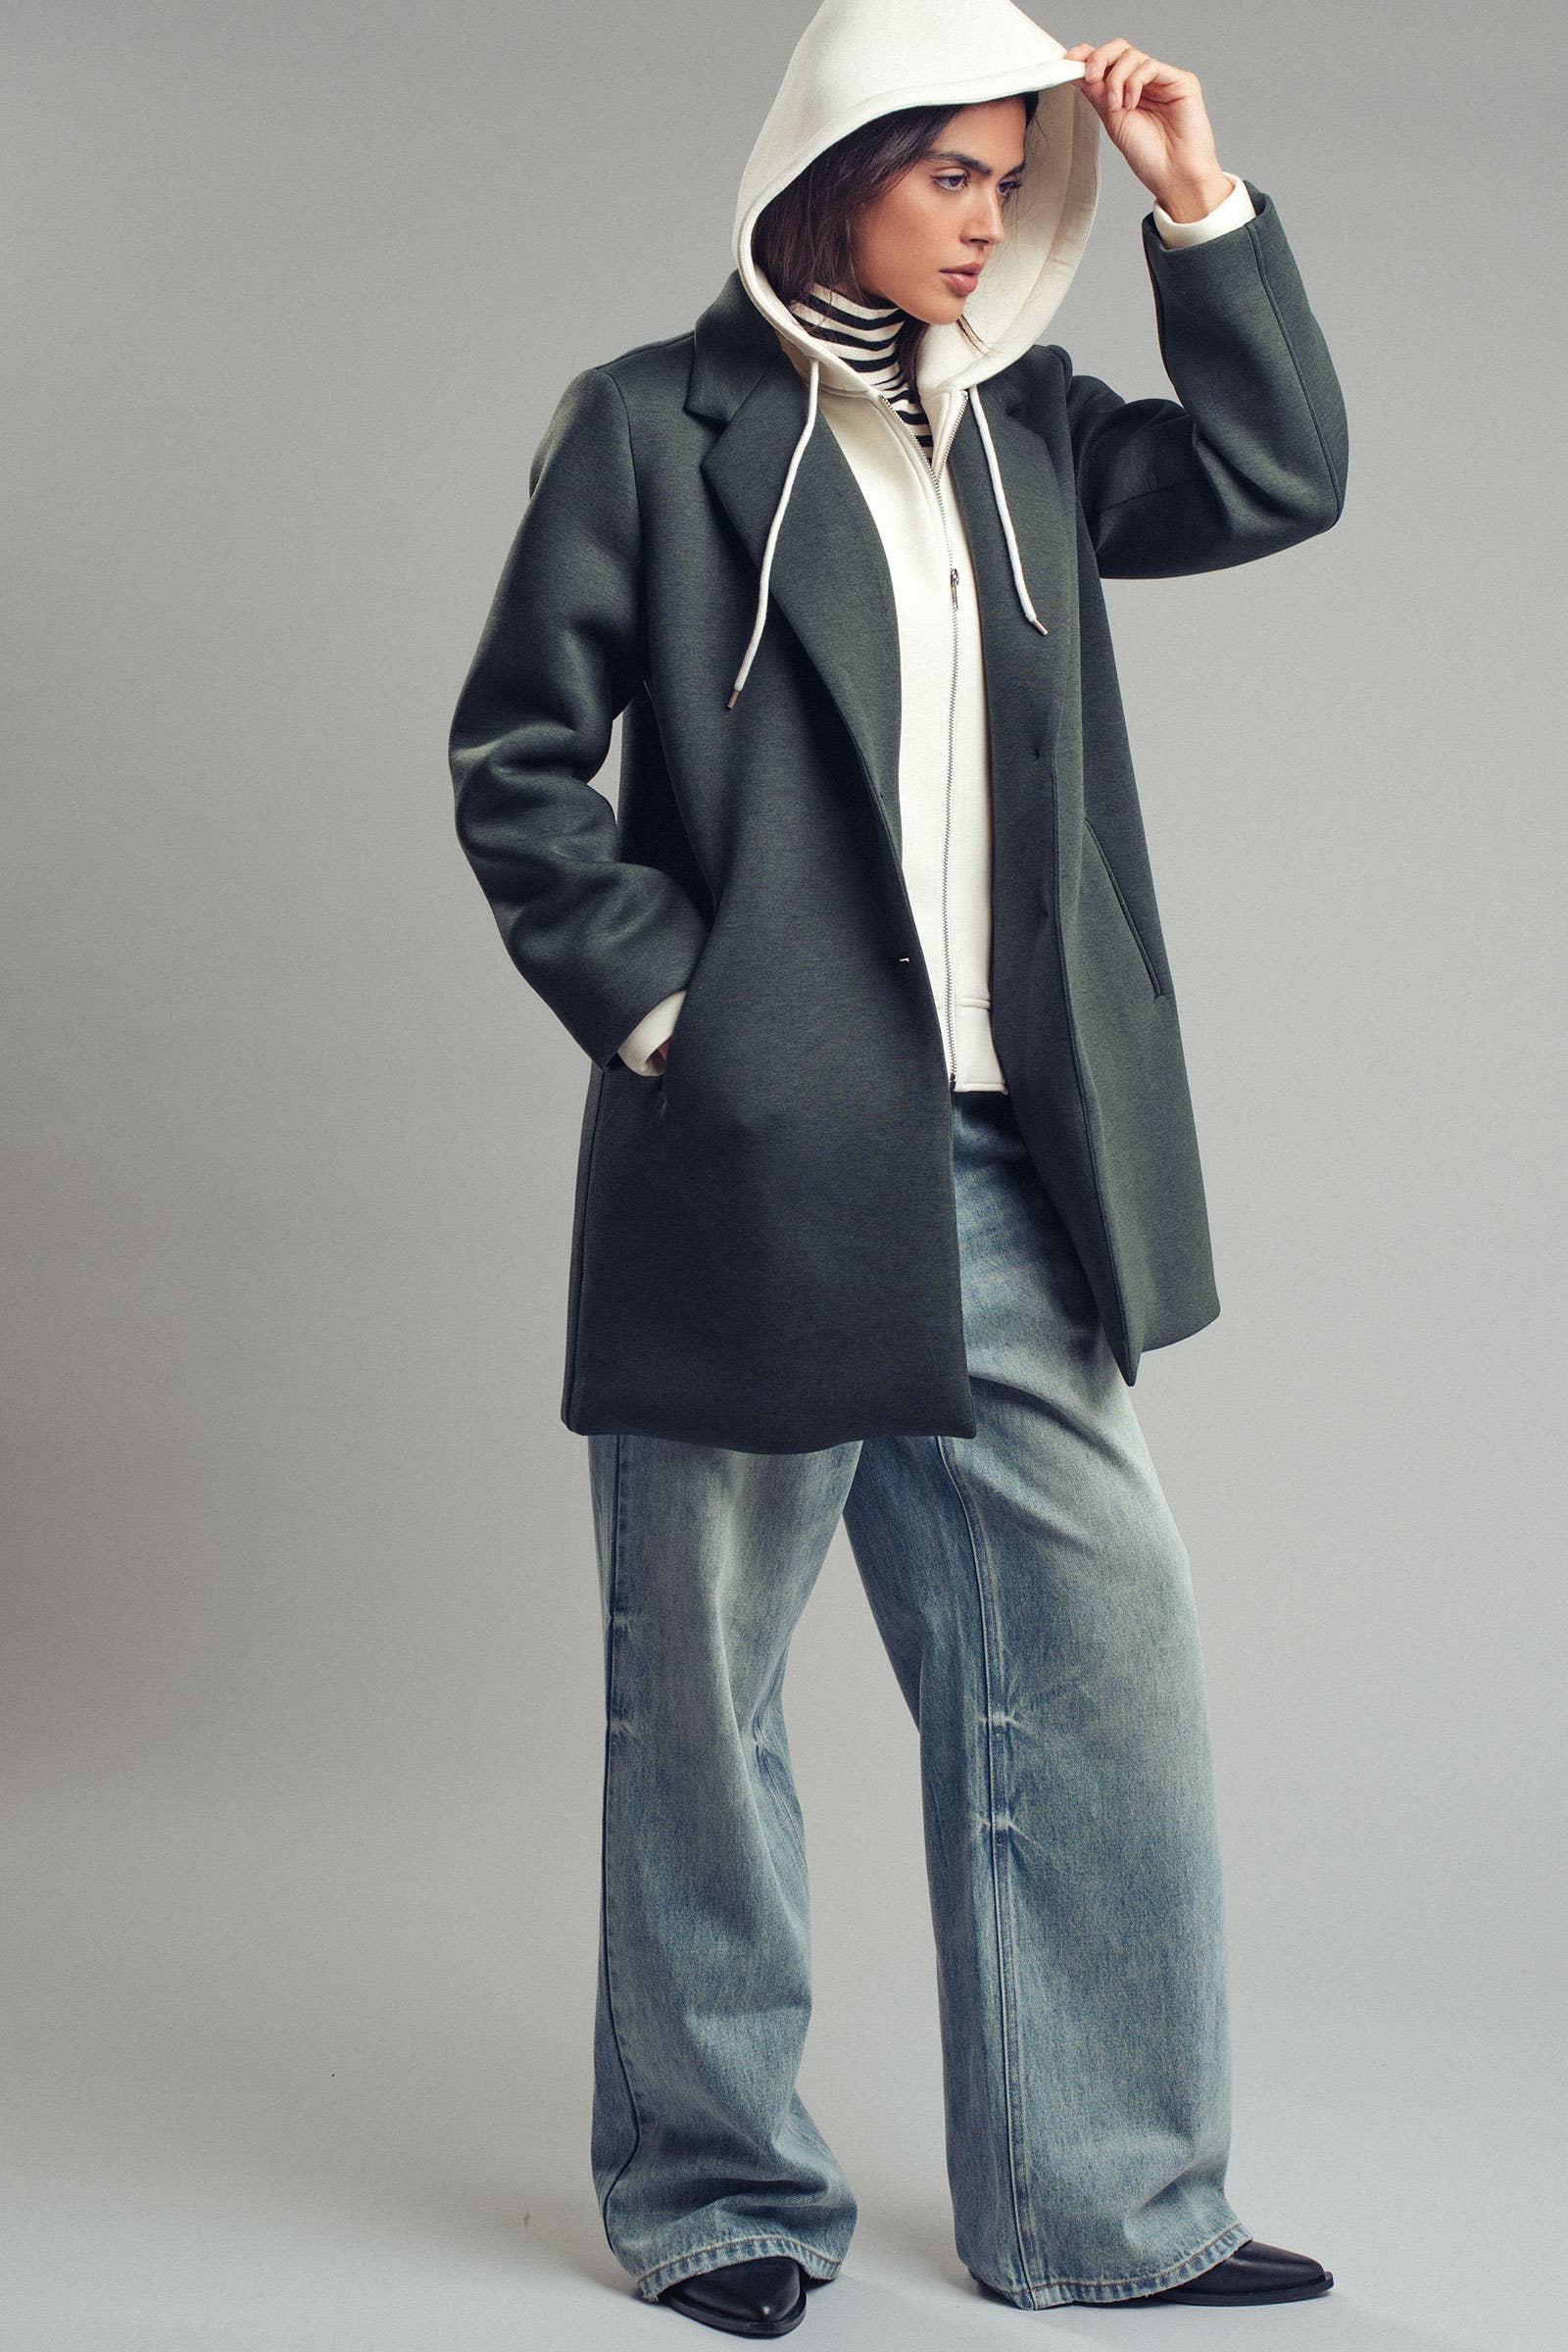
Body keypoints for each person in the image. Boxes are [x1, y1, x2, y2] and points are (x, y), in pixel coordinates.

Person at [448, 0, 1348, 2333]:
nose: (986, 217)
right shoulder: (648, 426)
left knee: (1092, 1673)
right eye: (947, 169)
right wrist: (682, 1025)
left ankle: (1103, 2208)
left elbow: (1274, 477)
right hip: (753, 1162)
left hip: (1014, 1160)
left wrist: (1193, 202)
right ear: (828, 167)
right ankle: (718, 2198)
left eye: (1004, 179)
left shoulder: (1030, 430)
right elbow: (518, 762)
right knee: (705, 1704)